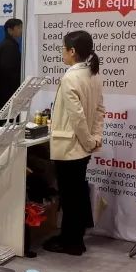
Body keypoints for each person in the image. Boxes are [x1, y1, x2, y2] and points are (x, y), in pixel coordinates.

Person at [45, 30, 104, 256]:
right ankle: (73, 238)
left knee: (70, 197)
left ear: (72, 51)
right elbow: (99, 111)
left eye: (63, 48)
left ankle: (71, 242)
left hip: (71, 147)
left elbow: (77, 118)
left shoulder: (71, 78)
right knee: (77, 193)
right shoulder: (93, 74)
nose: (62, 52)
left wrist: (88, 141)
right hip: (83, 146)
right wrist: (94, 139)